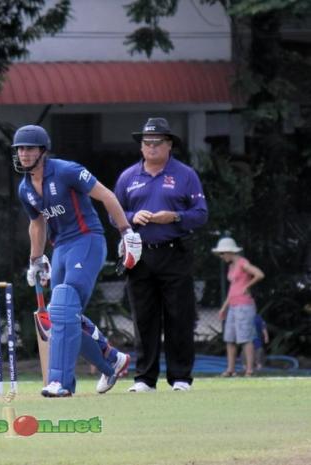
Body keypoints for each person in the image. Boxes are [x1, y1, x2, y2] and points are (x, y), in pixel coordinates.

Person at [13, 124, 142, 397]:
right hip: (60, 248)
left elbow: (106, 195)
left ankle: (60, 383)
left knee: (62, 306)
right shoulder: (25, 188)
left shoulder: (66, 170)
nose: (24, 154)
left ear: (42, 151)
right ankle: (112, 360)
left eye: (29, 148)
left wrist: (126, 231)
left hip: (87, 240)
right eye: (20, 149)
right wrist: (35, 260)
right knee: (64, 315)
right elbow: (37, 223)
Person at [114, 117, 208, 392]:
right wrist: (132, 216)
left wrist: (175, 216)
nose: (152, 147)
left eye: (157, 143)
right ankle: (144, 379)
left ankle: (180, 378)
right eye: (147, 143)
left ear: (169, 145)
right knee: (144, 318)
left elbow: (201, 214)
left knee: (179, 316)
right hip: (140, 255)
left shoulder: (185, 175)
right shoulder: (128, 177)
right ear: (141, 147)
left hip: (174, 252)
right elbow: (114, 213)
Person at [212, 237, 265, 377]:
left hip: (245, 306)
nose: (221, 256)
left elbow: (259, 274)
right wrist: (224, 307)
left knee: (245, 338)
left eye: (223, 253)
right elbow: (232, 289)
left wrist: (247, 286)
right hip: (233, 306)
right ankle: (230, 369)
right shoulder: (231, 266)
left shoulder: (242, 263)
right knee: (229, 338)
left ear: (230, 252)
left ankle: (249, 370)